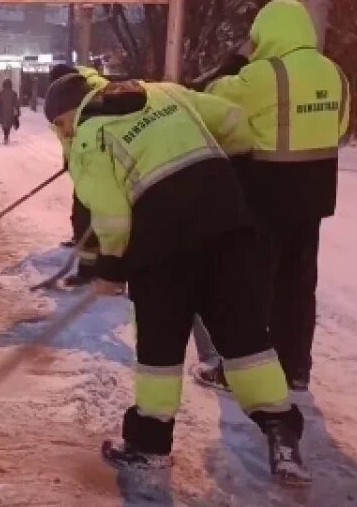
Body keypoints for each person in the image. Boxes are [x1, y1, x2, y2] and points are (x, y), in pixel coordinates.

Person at [45, 72, 310, 484]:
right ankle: (281, 429)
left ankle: (149, 445)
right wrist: (225, 177)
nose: (65, 133)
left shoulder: (89, 135)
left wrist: (110, 269)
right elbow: (234, 122)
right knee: (244, 336)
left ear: (70, 113)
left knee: (160, 347)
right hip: (228, 225)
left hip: (161, 244)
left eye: (61, 124)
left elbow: (113, 217)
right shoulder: (165, 92)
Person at [192, 0, 350, 392]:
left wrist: (238, 57)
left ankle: (244, 374)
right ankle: (295, 368)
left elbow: (211, 96)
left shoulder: (264, 74)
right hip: (314, 196)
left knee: (251, 288)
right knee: (297, 287)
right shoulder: (335, 73)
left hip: (266, 194)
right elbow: (340, 128)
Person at [47, 63, 109, 287]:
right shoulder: (63, 100)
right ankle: (87, 269)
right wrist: (69, 160)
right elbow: (67, 136)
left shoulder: (97, 94)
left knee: (110, 222)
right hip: (84, 168)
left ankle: (107, 272)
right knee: (82, 220)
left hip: (105, 168)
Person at [0, 79, 20, 145]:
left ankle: (5, 136)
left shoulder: (1, 93)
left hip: (3, 112)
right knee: (9, 124)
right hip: (10, 112)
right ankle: (7, 136)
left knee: (4, 124)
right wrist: (17, 111)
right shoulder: (14, 93)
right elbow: (16, 103)